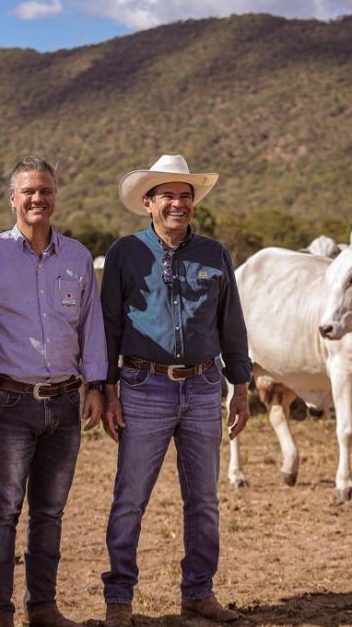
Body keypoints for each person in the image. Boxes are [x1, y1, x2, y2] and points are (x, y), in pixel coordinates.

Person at [98, 154, 252, 626]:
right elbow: (108, 325)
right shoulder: (126, 253)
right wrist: (106, 389)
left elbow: (231, 322)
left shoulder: (215, 254)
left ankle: (198, 593)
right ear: (148, 203)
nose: (178, 205)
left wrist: (240, 385)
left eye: (185, 197)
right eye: (168, 196)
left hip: (205, 386)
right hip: (143, 386)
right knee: (130, 497)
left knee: (203, 499)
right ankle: (120, 600)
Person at [0, 157, 107, 627]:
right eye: (28, 191)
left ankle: (42, 607)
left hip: (66, 401)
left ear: (54, 197)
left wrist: (97, 385)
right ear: (12, 199)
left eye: (45, 190)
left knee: (50, 510)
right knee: (3, 509)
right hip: (9, 401)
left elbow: (92, 327)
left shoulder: (78, 258)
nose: (37, 199)